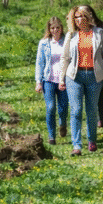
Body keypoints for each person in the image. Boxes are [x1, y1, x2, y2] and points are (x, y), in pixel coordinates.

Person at [60, 5, 103, 155]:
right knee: (76, 111)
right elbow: (65, 58)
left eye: (82, 16)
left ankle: (92, 140)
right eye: (76, 17)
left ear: (88, 17)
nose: (79, 19)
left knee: (91, 110)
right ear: (73, 19)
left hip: (94, 76)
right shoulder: (71, 35)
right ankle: (77, 146)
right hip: (74, 76)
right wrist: (61, 79)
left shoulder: (98, 32)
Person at [34, 17, 69, 145]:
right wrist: (38, 82)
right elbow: (40, 63)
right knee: (50, 107)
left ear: (61, 28)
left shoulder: (67, 41)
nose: (55, 30)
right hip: (48, 79)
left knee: (63, 107)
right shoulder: (44, 43)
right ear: (49, 29)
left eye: (58, 28)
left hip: (63, 80)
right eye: (53, 28)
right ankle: (51, 136)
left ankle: (63, 123)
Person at [79, 5, 103, 128]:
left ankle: (101, 117)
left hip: (99, 65)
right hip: (83, 67)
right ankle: (91, 117)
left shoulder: (101, 27)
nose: (84, 16)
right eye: (81, 13)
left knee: (100, 93)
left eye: (86, 12)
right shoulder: (78, 28)